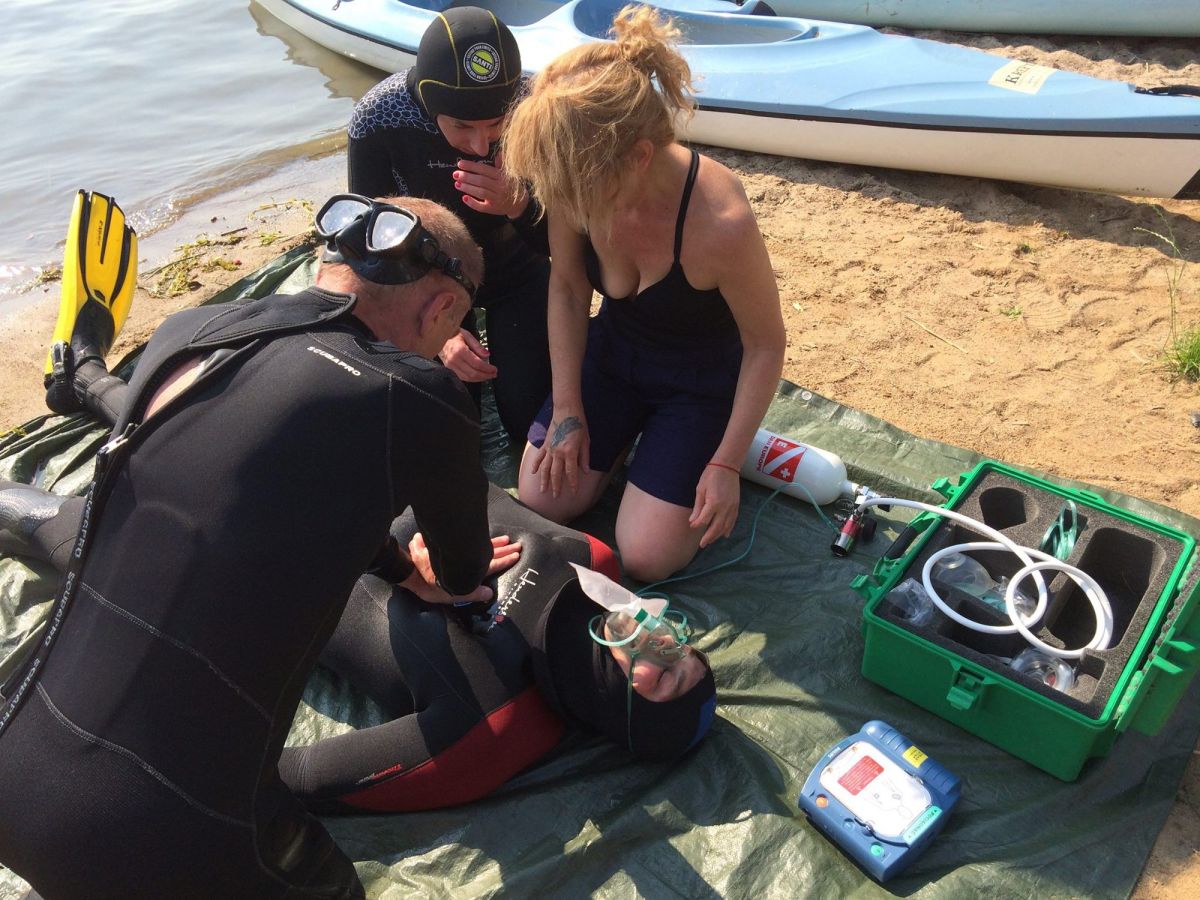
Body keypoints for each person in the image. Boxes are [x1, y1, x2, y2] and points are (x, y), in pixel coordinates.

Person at [0, 193, 519, 899]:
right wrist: (433, 575)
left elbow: (283, 479)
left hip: (13, 756)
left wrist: (397, 567)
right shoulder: (420, 393)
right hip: (155, 829)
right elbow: (464, 572)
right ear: (444, 309)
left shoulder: (188, 329)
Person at [1, 481, 718, 815]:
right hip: (342, 468)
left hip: (272, 565)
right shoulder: (594, 558)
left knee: (127, 540)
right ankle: (90, 383)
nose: (661, 646)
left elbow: (295, 776)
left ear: (618, 712)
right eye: (684, 649)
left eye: (662, 678)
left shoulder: (495, 726)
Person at [502, 5, 787, 583]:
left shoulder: (720, 223)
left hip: (698, 384)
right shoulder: (574, 179)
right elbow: (567, 285)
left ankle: (693, 453)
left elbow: (765, 345)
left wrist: (726, 464)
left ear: (638, 158)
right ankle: (626, 457)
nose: (567, 202)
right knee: (542, 496)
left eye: (581, 190)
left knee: (647, 556)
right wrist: (567, 407)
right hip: (613, 356)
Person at [348, 7, 552, 441]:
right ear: (429, 103)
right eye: (462, 126)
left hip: (517, 273)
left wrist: (519, 205)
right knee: (454, 423)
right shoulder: (380, 117)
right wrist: (443, 336)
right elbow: (370, 249)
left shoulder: (535, 109)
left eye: (495, 125)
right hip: (426, 286)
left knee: (527, 422)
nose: (479, 145)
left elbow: (564, 244)